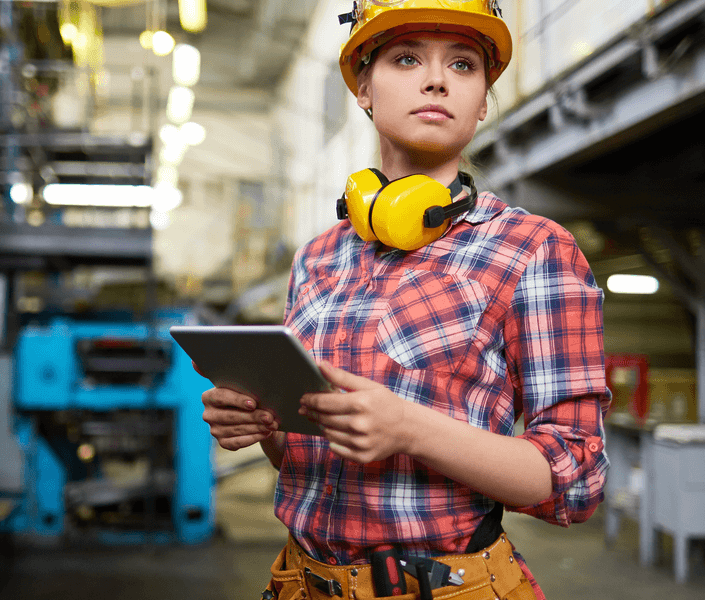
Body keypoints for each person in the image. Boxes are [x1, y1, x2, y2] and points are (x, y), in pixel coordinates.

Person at [201, 1, 609, 598]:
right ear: (363, 87)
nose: (437, 78)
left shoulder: (533, 251)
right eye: (407, 58)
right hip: (301, 582)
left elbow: (576, 481)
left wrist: (412, 430)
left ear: (484, 101)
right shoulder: (318, 259)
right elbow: (304, 459)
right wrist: (262, 424)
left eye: (465, 65)